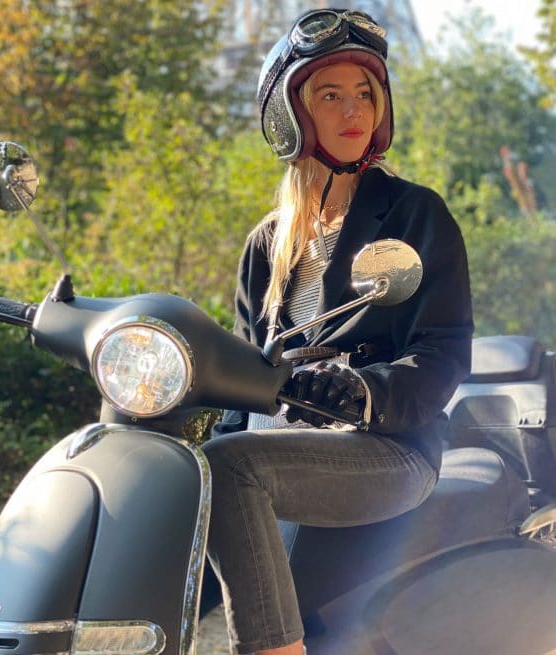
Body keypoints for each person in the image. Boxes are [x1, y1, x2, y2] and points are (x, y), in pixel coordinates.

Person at [201, 8, 473, 655]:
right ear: (291, 113)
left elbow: (441, 355)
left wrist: (360, 391)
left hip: (390, 447)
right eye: (330, 94)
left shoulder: (413, 214)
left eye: (364, 93)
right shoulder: (264, 246)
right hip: (286, 450)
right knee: (189, 465)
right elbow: (246, 375)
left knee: (227, 469)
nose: (353, 110)